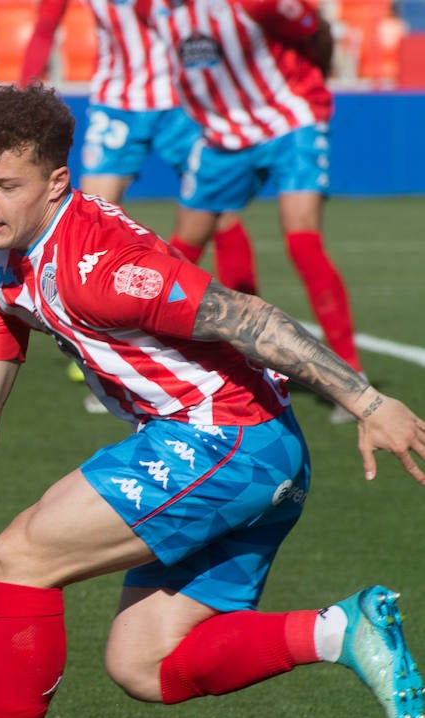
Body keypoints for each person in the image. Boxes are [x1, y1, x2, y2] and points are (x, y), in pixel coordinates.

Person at [0, 84, 423, 718]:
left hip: (227, 439)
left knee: (21, 555)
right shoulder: (1, 275)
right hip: (242, 451)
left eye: (5, 185)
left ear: (56, 184)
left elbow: (251, 316)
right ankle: (341, 630)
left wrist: (369, 403)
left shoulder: (102, 264)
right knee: (145, 664)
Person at [19, 0, 257, 414]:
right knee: (85, 223)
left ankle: (247, 338)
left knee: (221, 212)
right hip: (118, 104)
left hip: (182, 104)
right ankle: (102, 351)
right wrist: (26, 92)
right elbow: (45, 24)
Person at [138, 0, 364, 422]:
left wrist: (315, 83)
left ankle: (351, 376)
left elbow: (316, 29)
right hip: (221, 137)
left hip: (289, 123)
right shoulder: (154, 10)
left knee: (302, 241)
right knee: (178, 252)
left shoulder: (255, 4)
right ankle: (153, 366)